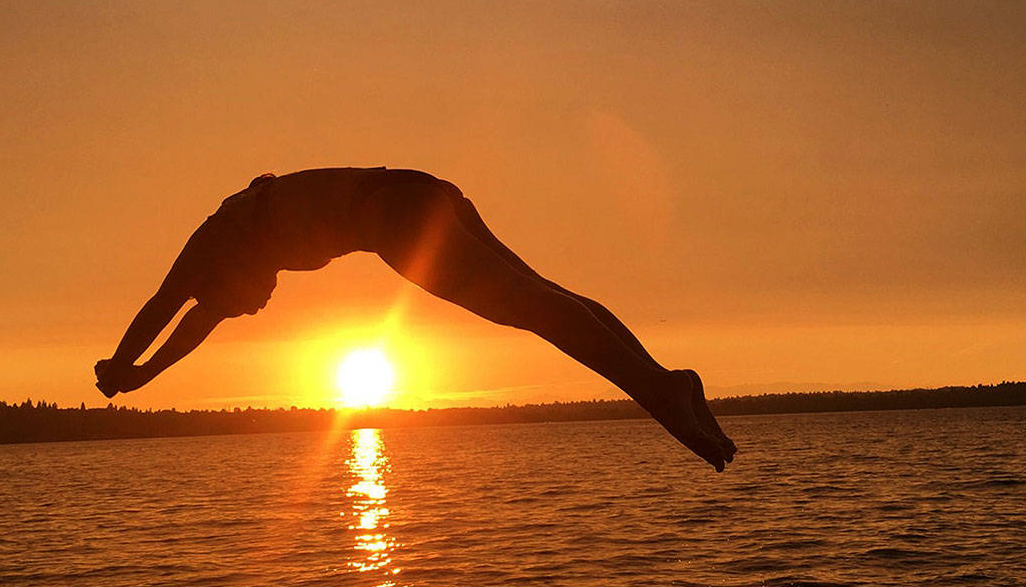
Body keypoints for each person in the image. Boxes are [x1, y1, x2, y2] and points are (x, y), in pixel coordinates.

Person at [95, 167, 737, 471]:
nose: (256, 305)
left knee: (527, 306)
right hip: (424, 191)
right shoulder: (236, 248)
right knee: (539, 293)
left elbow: (166, 309)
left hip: (395, 217)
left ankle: (659, 390)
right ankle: (662, 379)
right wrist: (143, 377)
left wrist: (123, 364)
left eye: (244, 302)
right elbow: (197, 323)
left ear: (218, 278)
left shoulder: (209, 244)